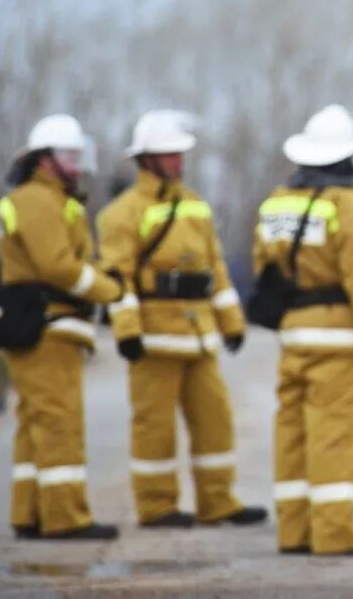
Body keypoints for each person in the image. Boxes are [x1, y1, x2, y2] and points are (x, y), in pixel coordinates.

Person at [97, 109, 267, 529]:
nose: (177, 161)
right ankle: (156, 506)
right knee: (154, 427)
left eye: (179, 153)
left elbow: (216, 268)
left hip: (199, 336)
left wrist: (231, 322)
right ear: (146, 159)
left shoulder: (194, 205)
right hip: (154, 338)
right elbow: (117, 277)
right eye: (168, 154)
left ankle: (218, 503)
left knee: (215, 421)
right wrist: (128, 331)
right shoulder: (122, 213)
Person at [252, 104, 353, 556]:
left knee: (291, 431)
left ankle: (294, 531)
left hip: (293, 333)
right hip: (337, 338)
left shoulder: (275, 202)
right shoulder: (350, 204)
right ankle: (335, 532)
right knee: (332, 434)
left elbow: (265, 270)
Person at [0, 114, 124, 540]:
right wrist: (108, 290)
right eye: (67, 155)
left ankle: (29, 512)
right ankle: (65, 518)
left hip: (48, 325)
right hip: (47, 325)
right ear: (42, 159)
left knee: (37, 422)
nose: (75, 162)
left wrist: (103, 272)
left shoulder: (53, 200)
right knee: (58, 423)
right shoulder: (37, 200)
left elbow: (70, 257)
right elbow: (57, 266)